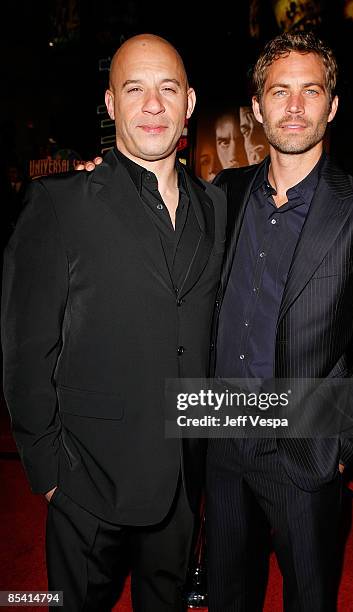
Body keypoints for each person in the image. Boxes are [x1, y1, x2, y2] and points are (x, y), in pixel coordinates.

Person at [1, 34, 226, 612]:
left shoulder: (218, 208)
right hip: (87, 483)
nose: (152, 104)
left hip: (182, 480)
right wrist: (51, 474)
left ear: (190, 102)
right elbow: (26, 352)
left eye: (168, 88)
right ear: (110, 104)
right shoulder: (59, 203)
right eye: (134, 89)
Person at [207, 31, 353, 611]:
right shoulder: (226, 192)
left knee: (310, 599)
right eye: (279, 91)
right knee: (226, 595)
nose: (294, 106)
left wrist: (340, 449)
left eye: (310, 91)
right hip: (220, 440)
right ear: (257, 108)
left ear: (332, 105)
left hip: (304, 452)